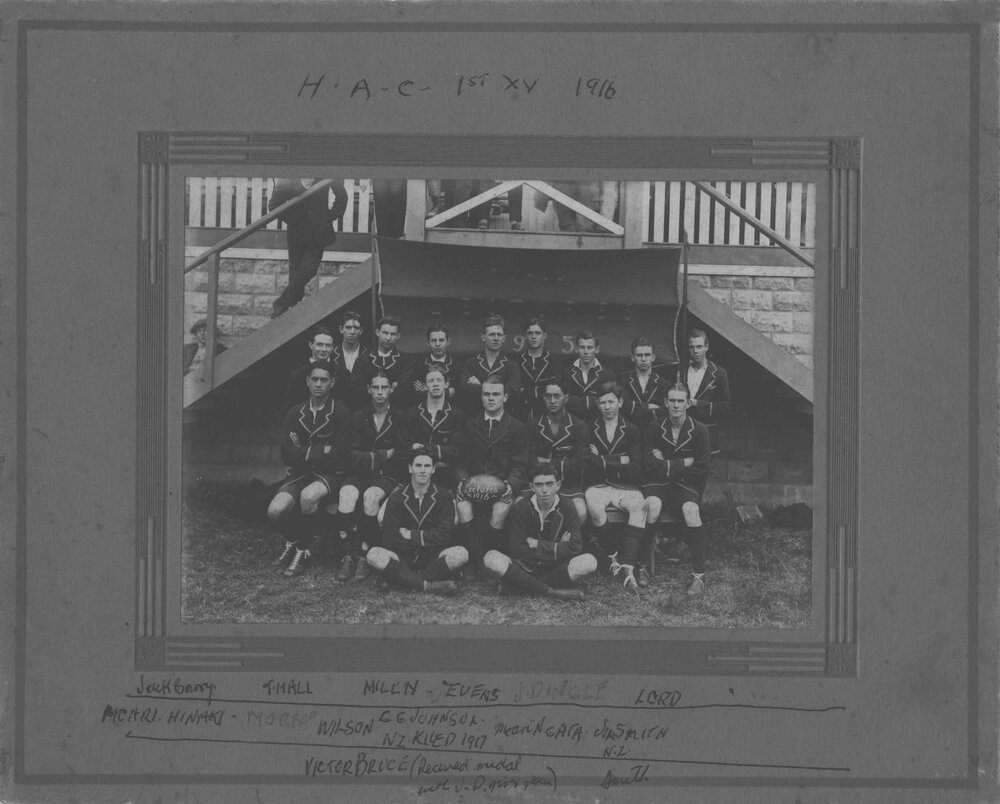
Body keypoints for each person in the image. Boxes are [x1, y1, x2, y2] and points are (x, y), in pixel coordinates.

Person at [268, 361, 351, 577]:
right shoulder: (295, 412)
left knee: (308, 496)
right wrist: (322, 449)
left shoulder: (340, 412)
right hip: (300, 474)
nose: (319, 384)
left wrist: (302, 451)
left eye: (324, 380)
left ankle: (302, 552)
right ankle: (295, 541)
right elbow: (286, 453)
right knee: (275, 510)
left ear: (332, 383)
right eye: (314, 379)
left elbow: (338, 455)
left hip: (329, 475)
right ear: (307, 381)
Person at [484, 463, 597, 601]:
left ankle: (519, 586)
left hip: (556, 567)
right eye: (539, 485)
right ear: (532, 487)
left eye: (549, 484)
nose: (544, 490)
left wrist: (536, 544)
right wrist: (558, 546)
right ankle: (552, 592)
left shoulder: (567, 506)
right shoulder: (521, 507)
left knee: (589, 562)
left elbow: (575, 547)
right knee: (491, 558)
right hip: (525, 567)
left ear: (558, 485)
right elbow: (517, 550)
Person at [454, 376, 529, 577]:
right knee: (463, 507)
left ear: (505, 397)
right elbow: (461, 462)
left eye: (496, 394)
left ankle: (489, 561)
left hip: (502, 486)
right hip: (474, 486)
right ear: (481, 397)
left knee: (500, 510)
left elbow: (520, 465)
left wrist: (510, 486)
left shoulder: (517, 427)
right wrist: (462, 483)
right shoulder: (470, 425)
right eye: (486, 394)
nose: (491, 398)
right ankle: (475, 562)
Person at [336, 372, 407, 582]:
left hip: (388, 475)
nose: (380, 392)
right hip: (359, 473)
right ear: (368, 389)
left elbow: (402, 453)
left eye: (384, 387)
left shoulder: (401, 416)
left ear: (391, 389)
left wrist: (375, 457)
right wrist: (384, 455)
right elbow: (351, 454)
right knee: (347, 494)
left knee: (371, 496)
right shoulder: (358, 416)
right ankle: (347, 555)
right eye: (375, 387)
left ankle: (364, 554)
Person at [365, 452, 468, 596]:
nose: (422, 470)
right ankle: (427, 585)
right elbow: (390, 538)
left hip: (431, 557)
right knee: (373, 554)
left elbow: (444, 536)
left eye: (427, 466)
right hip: (403, 557)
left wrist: (411, 535)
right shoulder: (397, 497)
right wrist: (423, 539)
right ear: (410, 468)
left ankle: (403, 580)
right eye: (418, 465)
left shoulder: (444, 497)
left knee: (461, 554)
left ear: (433, 469)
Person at [643, 383, 711, 596]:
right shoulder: (654, 427)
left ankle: (698, 576)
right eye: (672, 400)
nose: (676, 405)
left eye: (681, 400)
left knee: (691, 510)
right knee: (651, 506)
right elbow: (649, 465)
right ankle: (642, 566)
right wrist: (684, 462)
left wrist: (666, 463)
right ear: (665, 402)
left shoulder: (700, 430)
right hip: (658, 483)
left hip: (686, 484)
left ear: (688, 403)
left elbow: (701, 468)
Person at [582, 380, 648, 593]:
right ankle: (613, 556)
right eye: (602, 402)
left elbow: (636, 467)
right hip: (598, 484)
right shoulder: (589, 428)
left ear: (620, 402)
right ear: (597, 404)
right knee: (593, 504)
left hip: (625, 485)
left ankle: (628, 569)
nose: (607, 407)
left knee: (640, 506)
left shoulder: (632, 430)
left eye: (611, 402)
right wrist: (621, 460)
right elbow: (587, 462)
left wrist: (601, 459)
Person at [268, 178, 349, 318]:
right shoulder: (289, 179)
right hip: (296, 233)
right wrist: (294, 219)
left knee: (308, 270)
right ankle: (293, 312)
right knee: (295, 273)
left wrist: (331, 216)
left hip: (318, 232)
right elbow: (274, 205)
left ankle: (281, 304)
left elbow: (342, 196)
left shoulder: (325, 172)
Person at [529, 379, 589, 525]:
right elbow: (529, 460)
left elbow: (580, 465)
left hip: (569, 485)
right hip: (539, 484)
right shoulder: (533, 425)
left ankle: (569, 539)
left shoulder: (579, 426)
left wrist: (546, 461)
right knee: (521, 507)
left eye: (557, 396)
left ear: (566, 398)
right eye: (548, 396)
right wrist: (563, 462)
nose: (552, 401)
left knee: (580, 511)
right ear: (543, 398)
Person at [397, 366, 467, 490]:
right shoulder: (412, 413)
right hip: (416, 473)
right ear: (425, 386)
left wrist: (425, 448)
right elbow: (402, 449)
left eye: (439, 380)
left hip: (446, 474)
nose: (435, 384)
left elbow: (457, 450)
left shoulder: (457, 414)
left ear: (446, 384)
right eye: (431, 381)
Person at [678, 329, 731, 454]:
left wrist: (697, 403)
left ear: (706, 347)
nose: (695, 351)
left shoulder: (719, 373)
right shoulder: (680, 371)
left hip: (706, 434)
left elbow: (725, 408)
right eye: (691, 347)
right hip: (681, 433)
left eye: (699, 346)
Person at [460, 313, 522, 415]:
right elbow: (465, 391)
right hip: (475, 416)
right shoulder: (470, 364)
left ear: (504, 339)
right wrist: (500, 390)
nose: (496, 338)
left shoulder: (512, 366)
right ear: (483, 337)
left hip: (503, 418)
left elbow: (513, 395)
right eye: (492, 334)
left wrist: (481, 386)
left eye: (499, 335)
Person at [282, 326, 335, 413]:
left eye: (328, 345)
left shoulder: (341, 373)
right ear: (311, 345)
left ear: (333, 347)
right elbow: (289, 409)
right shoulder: (297, 375)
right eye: (320, 345)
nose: (324, 349)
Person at [562, 330, 613, 420]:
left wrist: (575, 401)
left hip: (598, 424)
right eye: (582, 347)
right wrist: (591, 401)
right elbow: (562, 400)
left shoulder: (607, 374)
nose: (585, 352)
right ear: (576, 349)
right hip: (573, 423)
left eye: (590, 348)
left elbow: (610, 403)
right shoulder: (567, 373)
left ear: (597, 349)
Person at [618, 336, 669, 426]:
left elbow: (664, 410)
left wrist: (636, 408)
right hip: (630, 429)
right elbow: (623, 405)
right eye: (639, 355)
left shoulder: (664, 384)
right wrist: (648, 407)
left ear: (653, 357)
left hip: (655, 430)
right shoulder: (623, 382)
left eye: (647, 355)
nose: (643, 359)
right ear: (632, 357)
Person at [518, 316, 561, 421]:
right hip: (523, 415)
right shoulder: (518, 361)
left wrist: (526, 390)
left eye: (537, 333)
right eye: (530, 333)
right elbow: (516, 390)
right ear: (525, 335)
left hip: (547, 415)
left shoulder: (554, 361)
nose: (533, 337)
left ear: (544, 336)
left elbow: (555, 389)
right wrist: (542, 388)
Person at [328, 310, 371, 411]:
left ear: (361, 331)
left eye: (356, 328)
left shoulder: (370, 355)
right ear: (341, 329)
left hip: (363, 408)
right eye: (348, 327)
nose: (352, 332)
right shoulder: (332, 355)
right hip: (337, 409)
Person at [410, 323, 460, 404]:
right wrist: (446, 393)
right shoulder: (419, 365)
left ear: (448, 342)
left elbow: (458, 393)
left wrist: (426, 391)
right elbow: (416, 393)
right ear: (427, 342)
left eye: (441, 340)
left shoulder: (457, 365)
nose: (437, 344)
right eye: (433, 340)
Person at [182, 318, 227, 405]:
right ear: (196, 334)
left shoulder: (222, 350)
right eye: (199, 331)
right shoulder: (187, 349)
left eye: (205, 330)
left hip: (206, 387)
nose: (202, 333)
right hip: (187, 385)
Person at [368, 315, 413, 391]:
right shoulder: (364, 359)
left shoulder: (406, 361)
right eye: (385, 333)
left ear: (398, 336)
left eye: (393, 334)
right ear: (377, 332)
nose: (388, 338)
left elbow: (404, 388)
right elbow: (359, 388)